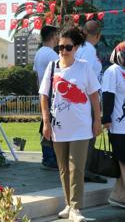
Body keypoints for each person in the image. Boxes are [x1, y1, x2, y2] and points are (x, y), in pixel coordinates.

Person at [40, 27, 102, 222]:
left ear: (76, 48)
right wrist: (46, 123)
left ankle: (76, 208)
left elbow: (94, 95)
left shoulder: (84, 67)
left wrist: (97, 120)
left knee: (77, 167)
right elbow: (43, 95)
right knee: (63, 168)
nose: (63, 51)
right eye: (60, 47)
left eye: (68, 47)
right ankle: (68, 204)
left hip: (81, 127)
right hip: (59, 127)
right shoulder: (52, 67)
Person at [101, 41, 125, 209]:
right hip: (119, 125)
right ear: (121, 53)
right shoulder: (113, 71)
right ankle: (123, 198)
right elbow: (108, 95)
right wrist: (106, 118)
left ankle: (123, 195)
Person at [75, 20, 107, 184]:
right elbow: (85, 75)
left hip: (84, 98)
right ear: (98, 34)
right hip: (87, 98)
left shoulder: (82, 48)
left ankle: (82, 170)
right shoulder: (87, 49)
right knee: (89, 135)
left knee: (86, 136)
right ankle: (83, 171)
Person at [33, 25, 59, 169]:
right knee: (51, 126)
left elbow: (37, 77)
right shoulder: (52, 54)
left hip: (43, 93)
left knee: (46, 123)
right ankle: (50, 157)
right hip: (51, 94)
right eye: (57, 35)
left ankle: (48, 156)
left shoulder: (39, 53)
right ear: (52, 36)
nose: (58, 38)